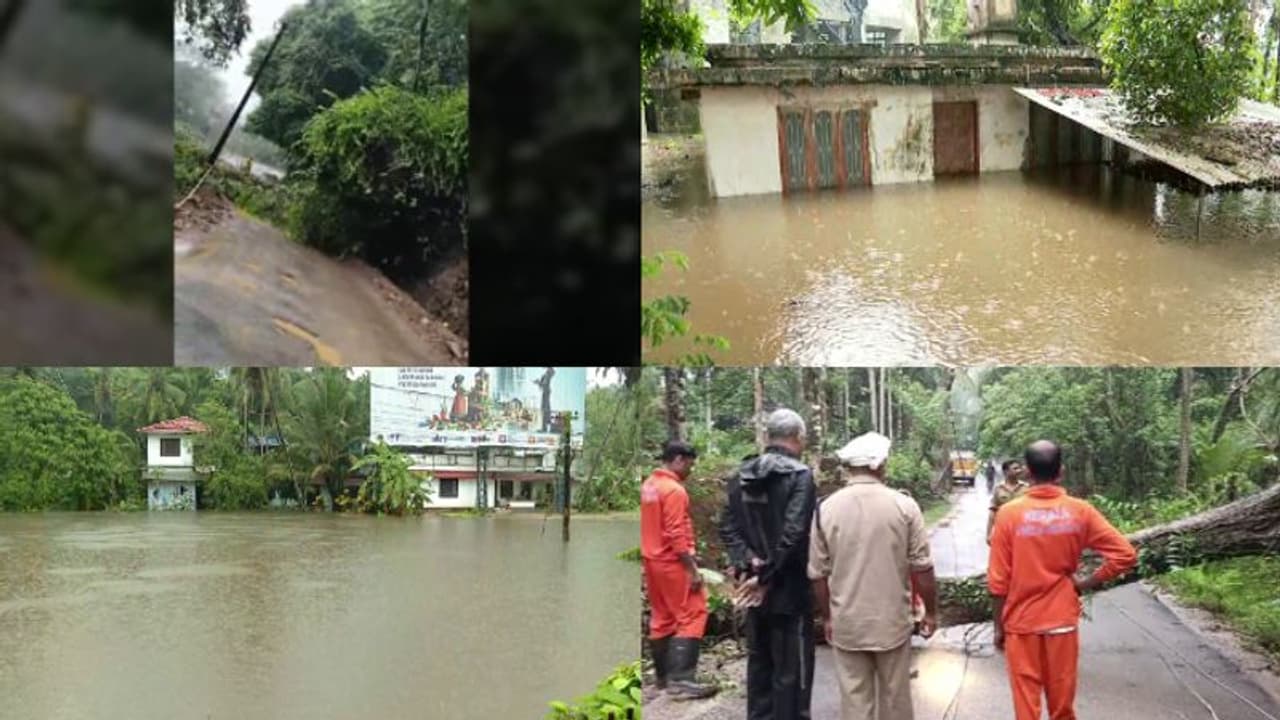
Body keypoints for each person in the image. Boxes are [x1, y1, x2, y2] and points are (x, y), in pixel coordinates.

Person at [988, 440, 1138, 720]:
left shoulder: (1008, 514)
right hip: (1062, 622)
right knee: (1062, 706)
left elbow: (998, 582)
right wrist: (1084, 583)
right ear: (1062, 471)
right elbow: (1125, 555)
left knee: (1026, 706)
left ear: (1028, 473)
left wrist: (999, 628)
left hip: (1021, 624)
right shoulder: (1081, 511)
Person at [809, 432, 938, 720]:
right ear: (881, 466)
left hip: (847, 622)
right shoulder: (905, 506)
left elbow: (817, 574)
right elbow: (923, 567)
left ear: (848, 468)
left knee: (854, 699)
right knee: (896, 698)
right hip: (892, 621)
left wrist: (829, 616)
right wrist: (930, 612)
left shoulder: (824, 509)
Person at [721, 408, 817, 720]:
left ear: (768, 437)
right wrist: (766, 574)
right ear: (798, 438)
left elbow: (728, 527)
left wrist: (750, 564)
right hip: (788, 589)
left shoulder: (741, 474)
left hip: (753, 588)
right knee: (792, 672)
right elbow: (794, 534)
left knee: (760, 663)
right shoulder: (799, 475)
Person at [641, 440, 715, 700]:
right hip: (672, 562)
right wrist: (692, 569)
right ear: (679, 460)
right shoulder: (674, 490)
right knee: (694, 611)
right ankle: (681, 680)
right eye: (690, 464)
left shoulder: (649, 485)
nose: (690, 470)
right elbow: (676, 532)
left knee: (662, 617)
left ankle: (663, 677)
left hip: (652, 561)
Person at [987, 459, 1029, 544]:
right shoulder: (998, 489)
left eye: (1019, 468)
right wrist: (989, 533)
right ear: (1006, 471)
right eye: (1015, 468)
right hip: (1004, 530)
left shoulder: (1026, 488)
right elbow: (993, 511)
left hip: (1023, 531)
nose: (1019, 470)